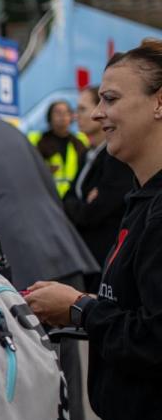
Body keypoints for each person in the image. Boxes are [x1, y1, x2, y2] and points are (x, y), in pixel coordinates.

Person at [25, 39, 162, 420]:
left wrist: (80, 309)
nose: (97, 113)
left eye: (111, 99)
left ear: (159, 104)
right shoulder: (143, 199)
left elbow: (155, 337)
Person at [0, 64, 97, 420]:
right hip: (57, 257)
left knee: (25, 393)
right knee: (64, 385)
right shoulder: (9, 132)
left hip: (20, 272)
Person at [64, 85, 136, 284]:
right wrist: (78, 205)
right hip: (85, 255)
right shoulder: (86, 154)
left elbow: (94, 212)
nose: (76, 116)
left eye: (82, 109)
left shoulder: (114, 159)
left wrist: (77, 207)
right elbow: (67, 198)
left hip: (103, 259)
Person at [29, 100, 89, 198]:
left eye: (66, 112)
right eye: (58, 112)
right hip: (47, 195)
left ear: (71, 117)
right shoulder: (37, 139)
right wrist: (43, 169)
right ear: (49, 117)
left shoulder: (80, 141)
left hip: (73, 197)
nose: (63, 116)